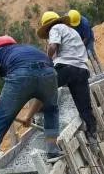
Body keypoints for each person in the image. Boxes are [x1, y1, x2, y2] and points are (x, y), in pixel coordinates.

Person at [0, 35, 60, 174]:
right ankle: (53, 151)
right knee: (51, 109)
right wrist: (29, 117)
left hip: (20, 75)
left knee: (1, 120)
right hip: (49, 72)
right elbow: (42, 98)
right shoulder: (29, 48)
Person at [38, 11, 97, 144]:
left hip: (67, 68)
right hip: (82, 70)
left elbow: (53, 46)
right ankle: (92, 133)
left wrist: (47, 61)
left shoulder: (55, 28)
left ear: (47, 26)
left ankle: (39, 114)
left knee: (42, 87)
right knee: (84, 106)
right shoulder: (72, 31)